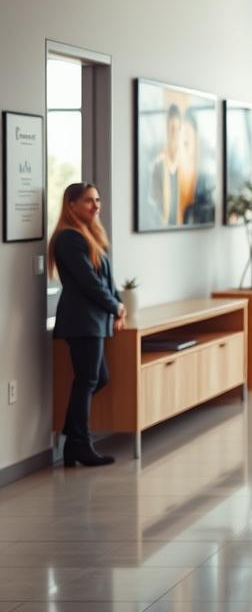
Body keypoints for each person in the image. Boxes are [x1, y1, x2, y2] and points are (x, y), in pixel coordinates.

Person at [49, 182, 124, 467]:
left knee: (96, 378)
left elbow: (106, 279)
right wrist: (114, 305)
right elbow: (89, 283)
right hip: (81, 322)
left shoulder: (88, 235)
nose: (96, 206)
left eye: (98, 200)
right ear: (71, 205)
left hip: (95, 321)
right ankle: (80, 443)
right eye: (89, 201)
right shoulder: (68, 238)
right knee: (88, 379)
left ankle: (74, 440)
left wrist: (119, 305)